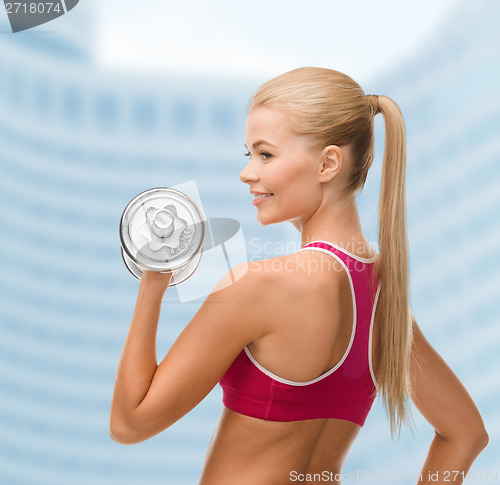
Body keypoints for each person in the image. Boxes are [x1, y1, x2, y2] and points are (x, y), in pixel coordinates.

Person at [109, 67, 488, 484]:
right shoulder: (385, 299)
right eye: (248, 154)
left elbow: (131, 423)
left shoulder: (258, 286)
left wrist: (153, 280)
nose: (247, 172)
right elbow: (465, 434)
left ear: (328, 163)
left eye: (265, 154)